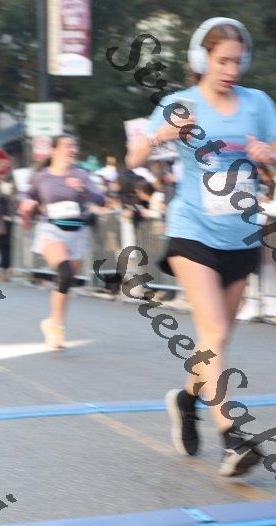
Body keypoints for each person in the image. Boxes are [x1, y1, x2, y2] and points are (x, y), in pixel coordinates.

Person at [126, 17, 276, 476]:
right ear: (201, 59)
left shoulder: (257, 103)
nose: (231, 69)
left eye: (238, 61)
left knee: (218, 339)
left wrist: (270, 156)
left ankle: (187, 400)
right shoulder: (180, 104)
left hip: (241, 235)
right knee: (212, 332)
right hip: (192, 231)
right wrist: (162, 135)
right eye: (222, 60)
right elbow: (134, 156)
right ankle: (233, 437)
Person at [19, 134, 105, 350]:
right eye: (67, 145)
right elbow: (27, 196)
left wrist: (83, 189)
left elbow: (101, 199)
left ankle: (53, 323)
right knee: (65, 272)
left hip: (77, 232)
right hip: (51, 230)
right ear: (54, 150)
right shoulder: (42, 177)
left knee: (66, 281)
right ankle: (57, 327)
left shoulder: (81, 174)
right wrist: (26, 206)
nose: (72, 149)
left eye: (74, 145)